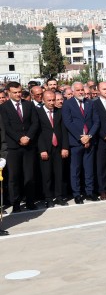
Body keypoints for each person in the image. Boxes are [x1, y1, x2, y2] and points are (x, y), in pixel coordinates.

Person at [0, 81, 41, 212]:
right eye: (15, 92)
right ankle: (16, 203)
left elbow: (35, 123)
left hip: (29, 146)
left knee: (29, 175)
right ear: (8, 93)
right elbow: (6, 126)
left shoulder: (28, 105)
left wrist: (28, 137)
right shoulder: (4, 107)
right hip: (13, 147)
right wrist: (19, 138)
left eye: (19, 92)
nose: (18, 94)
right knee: (14, 177)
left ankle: (30, 201)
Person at [62, 81, 99, 203]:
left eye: (82, 90)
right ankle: (77, 194)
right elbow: (68, 122)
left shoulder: (90, 103)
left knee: (89, 169)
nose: (81, 92)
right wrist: (81, 137)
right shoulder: (68, 104)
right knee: (75, 169)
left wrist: (89, 136)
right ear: (72, 92)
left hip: (89, 140)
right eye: (78, 90)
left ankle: (89, 192)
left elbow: (96, 121)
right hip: (76, 142)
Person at [36, 90, 69, 207]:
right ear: (43, 100)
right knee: (47, 175)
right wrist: (42, 149)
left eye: (53, 100)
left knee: (59, 173)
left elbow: (64, 130)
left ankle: (59, 197)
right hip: (46, 147)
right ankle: (48, 198)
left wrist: (65, 147)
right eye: (49, 100)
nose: (51, 102)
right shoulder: (38, 112)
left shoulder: (59, 112)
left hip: (58, 147)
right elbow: (38, 132)